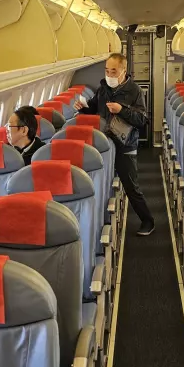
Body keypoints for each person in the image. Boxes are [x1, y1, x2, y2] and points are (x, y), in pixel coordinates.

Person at [74, 53, 154, 236]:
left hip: (126, 143)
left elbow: (142, 119)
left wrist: (122, 110)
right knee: (101, 184)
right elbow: (93, 107)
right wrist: (83, 108)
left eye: (113, 71)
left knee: (131, 186)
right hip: (104, 143)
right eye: (107, 71)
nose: (109, 75)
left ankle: (148, 221)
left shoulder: (134, 90)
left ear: (123, 71)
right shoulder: (103, 89)